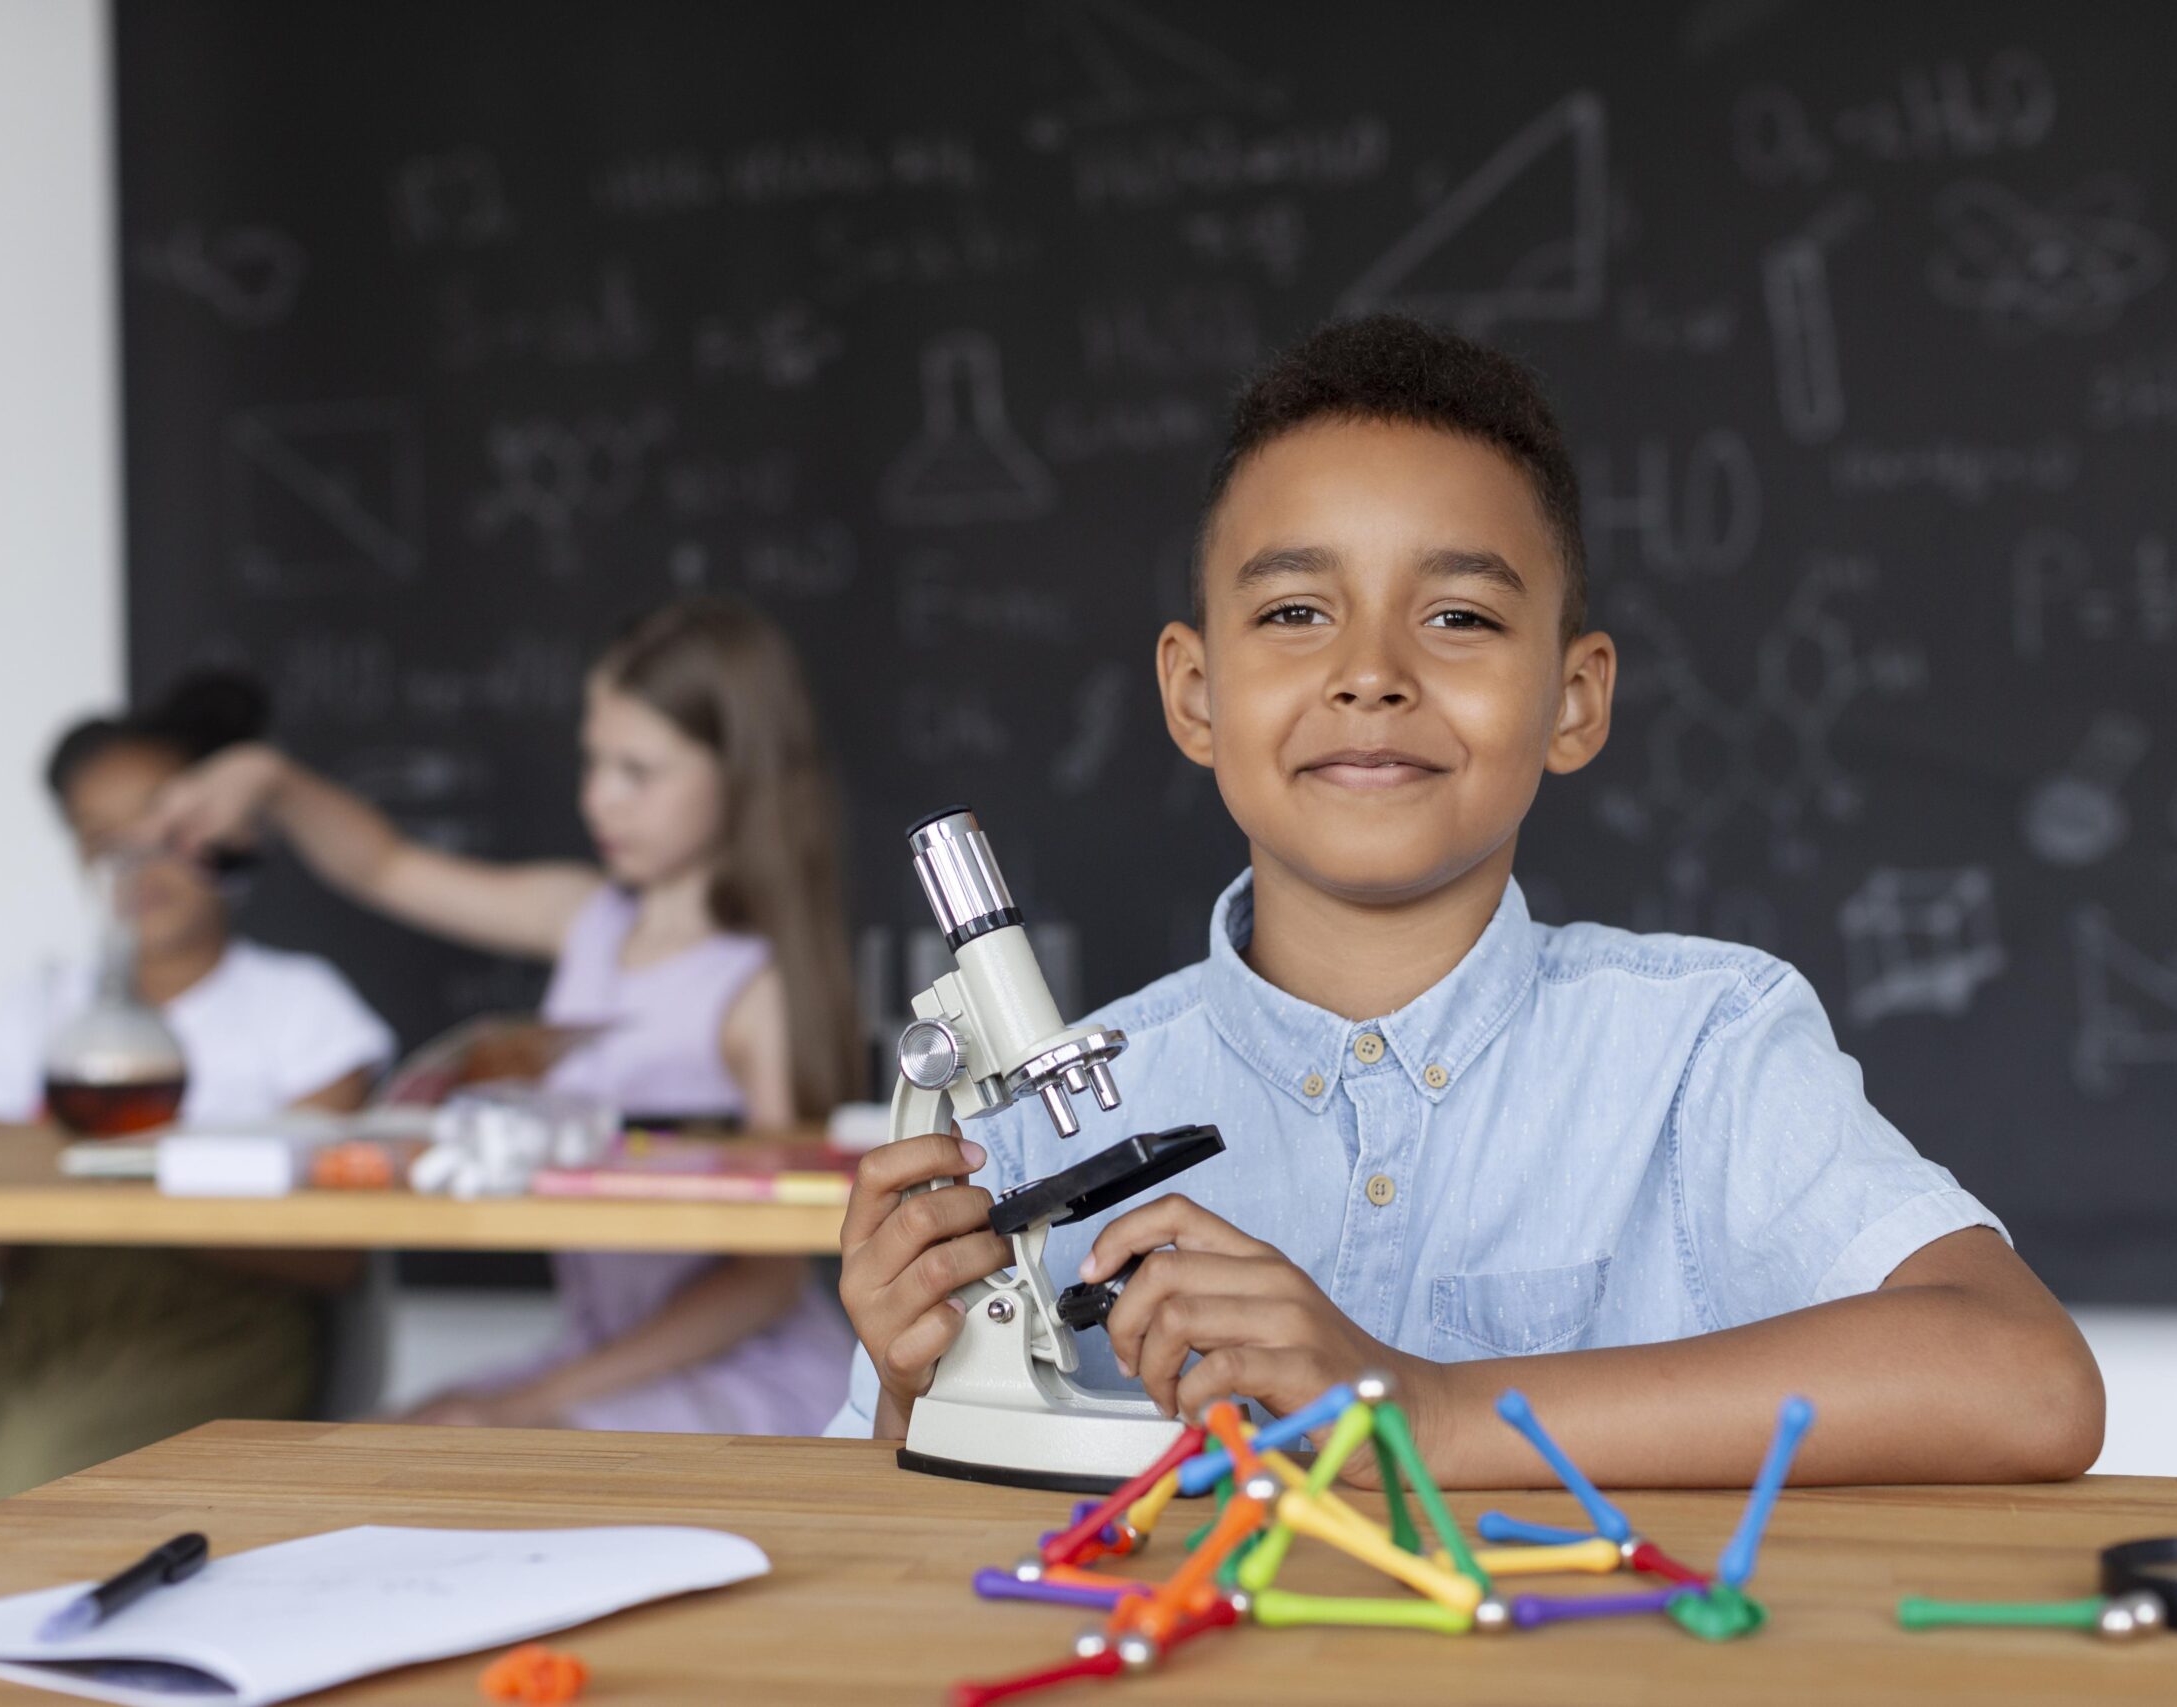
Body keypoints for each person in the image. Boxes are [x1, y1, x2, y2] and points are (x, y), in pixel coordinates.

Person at [831, 315, 2106, 1487]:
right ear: (1194, 693)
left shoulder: (1705, 1048)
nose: (1371, 674)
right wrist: (905, 1391)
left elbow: (2029, 1383)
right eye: (1295, 610)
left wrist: (1428, 1411)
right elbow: (886, 1541)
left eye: (1456, 615)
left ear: (1574, 699)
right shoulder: (1031, 1126)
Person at [144, 597, 861, 1434]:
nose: (599, 798)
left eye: (638, 771)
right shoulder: (587, 919)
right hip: (598, 1356)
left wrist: (527, 1403)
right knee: (377, 1447)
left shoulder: (754, 990)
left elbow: (769, 1280)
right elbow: (386, 866)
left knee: (450, 1442)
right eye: (593, 761)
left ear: (739, 772)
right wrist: (272, 781)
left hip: (735, 1371)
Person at [0, 673, 394, 1524]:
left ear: (221, 828)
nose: (135, 861)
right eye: (100, 838)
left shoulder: (302, 1008)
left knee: (25, 1477)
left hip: (218, 1326)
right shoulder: (41, 1007)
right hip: (41, 1319)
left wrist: (108, 1171)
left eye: (159, 824)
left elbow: (334, 1254)